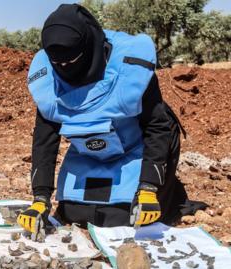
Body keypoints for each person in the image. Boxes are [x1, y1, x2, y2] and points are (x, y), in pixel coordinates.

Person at [17, 4, 204, 232]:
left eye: (71, 60)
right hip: (89, 152)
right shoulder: (48, 83)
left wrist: (148, 186)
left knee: (126, 218)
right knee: (74, 215)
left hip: (137, 148)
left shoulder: (131, 67)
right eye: (58, 63)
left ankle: (169, 192)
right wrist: (40, 198)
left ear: (88, 46)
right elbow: (45, 140)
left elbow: (158, 127)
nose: (64, 67)